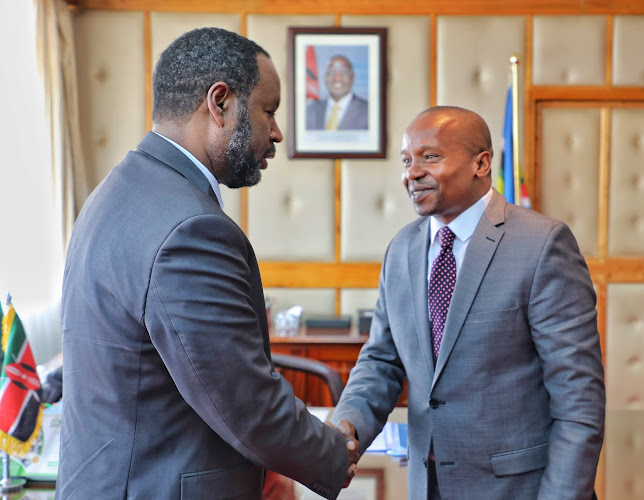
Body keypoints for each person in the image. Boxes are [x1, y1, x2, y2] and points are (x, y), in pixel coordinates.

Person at [59, 28, 358, 499]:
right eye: (269, 110)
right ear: (219, 102)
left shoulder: (117, 192)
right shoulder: (190, 229)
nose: (277, 133)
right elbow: (244, 399)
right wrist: (333, 453)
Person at [332, 106, 605, 499]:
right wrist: (348, 425)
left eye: (430, 157)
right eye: (407, 160)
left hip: (520, 488)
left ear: (481, 163)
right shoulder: (401, 249)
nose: (412, 173)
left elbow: (579, 399)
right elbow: (381, 361)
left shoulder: (543, 245)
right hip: (428, 486)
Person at [306, 55, 368, 130]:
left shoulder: (369, 111)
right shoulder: (310, 111)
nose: (337, 78)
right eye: (331, 72)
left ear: (352, 77)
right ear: (325, 77)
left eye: (344, 72)